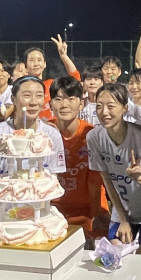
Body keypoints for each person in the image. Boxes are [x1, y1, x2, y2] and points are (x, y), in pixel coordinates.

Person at [87, 83, 141, 255]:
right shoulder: (94, 137)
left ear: (125, 108)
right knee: (111, 257)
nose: (104, 112)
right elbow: (107, 180)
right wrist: (122, 218)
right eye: (99, 106)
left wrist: (139, 178)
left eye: (111, 106)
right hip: (122, 210)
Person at [49, 76, 110, 243]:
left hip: (90, 210)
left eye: (71, 99)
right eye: (58, 99)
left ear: (81, 104)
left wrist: (97, 213)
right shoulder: (44, 133)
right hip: (53, 211)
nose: (64, 105)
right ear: (50, 104)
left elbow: (96, 182)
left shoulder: (91, 135)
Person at [0, 76, 66, 185]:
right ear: (13, 99)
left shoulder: (52, 135)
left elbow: (53, 180)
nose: (33, 102)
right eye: (27, 95)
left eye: (39, 96)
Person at [17, 34, 81, 123]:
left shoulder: (52, 84)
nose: (36, 64)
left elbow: (75, 79)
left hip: (53, 129)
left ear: (45, 64)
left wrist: (64, 56)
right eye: (32, 60)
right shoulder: (21, 88)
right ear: (26, 66)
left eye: (39, 60)